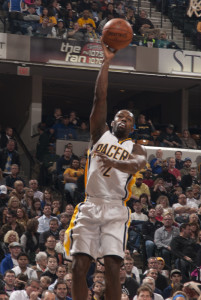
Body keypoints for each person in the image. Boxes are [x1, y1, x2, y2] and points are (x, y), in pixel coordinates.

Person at [64, 40, 147, 300]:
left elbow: (135, 165)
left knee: (113, 267)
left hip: (115, 208)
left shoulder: (136, 148)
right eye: (120, 116)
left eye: (128, 118)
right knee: (79, 265)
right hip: (90, 205)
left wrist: (116, 164)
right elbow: (99, 97)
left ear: (132, 127)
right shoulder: (100, 134)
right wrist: (106, 62)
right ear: (112, 121)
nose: (123, 120)